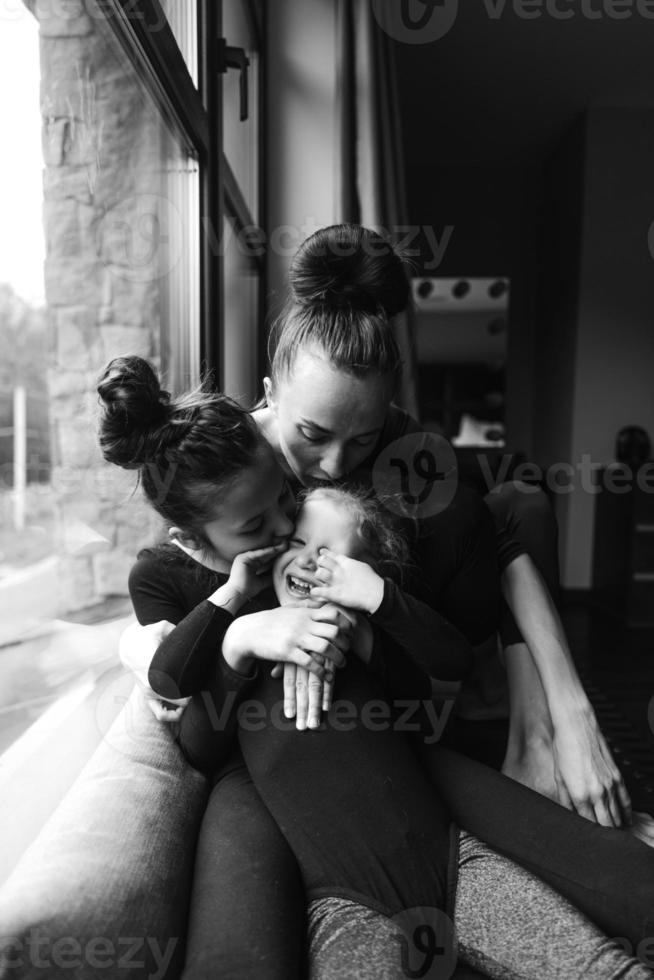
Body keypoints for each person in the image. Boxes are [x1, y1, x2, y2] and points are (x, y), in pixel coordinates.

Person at [100, 356, 654, 979]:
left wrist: (370, 613)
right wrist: (242, 630)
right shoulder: (184, 585)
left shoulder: (328, 536)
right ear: (194, 543)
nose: (286, 532)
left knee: (606, 935)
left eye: (289, 500)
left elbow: (432, 676)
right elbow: (186, 712)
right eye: (259, 525)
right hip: (311, 844)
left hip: (427, 821)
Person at [253, 222, 631, 828]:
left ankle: (538, 740)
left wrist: (575, 714)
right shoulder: (236, 458)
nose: (332, 464)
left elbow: (506, 523)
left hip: (408, 614)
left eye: (363, 440)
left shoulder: (400, 440)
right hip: (320, 661)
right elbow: (179, 564)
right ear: (271, 394)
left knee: (520, 496)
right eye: (312, 435)